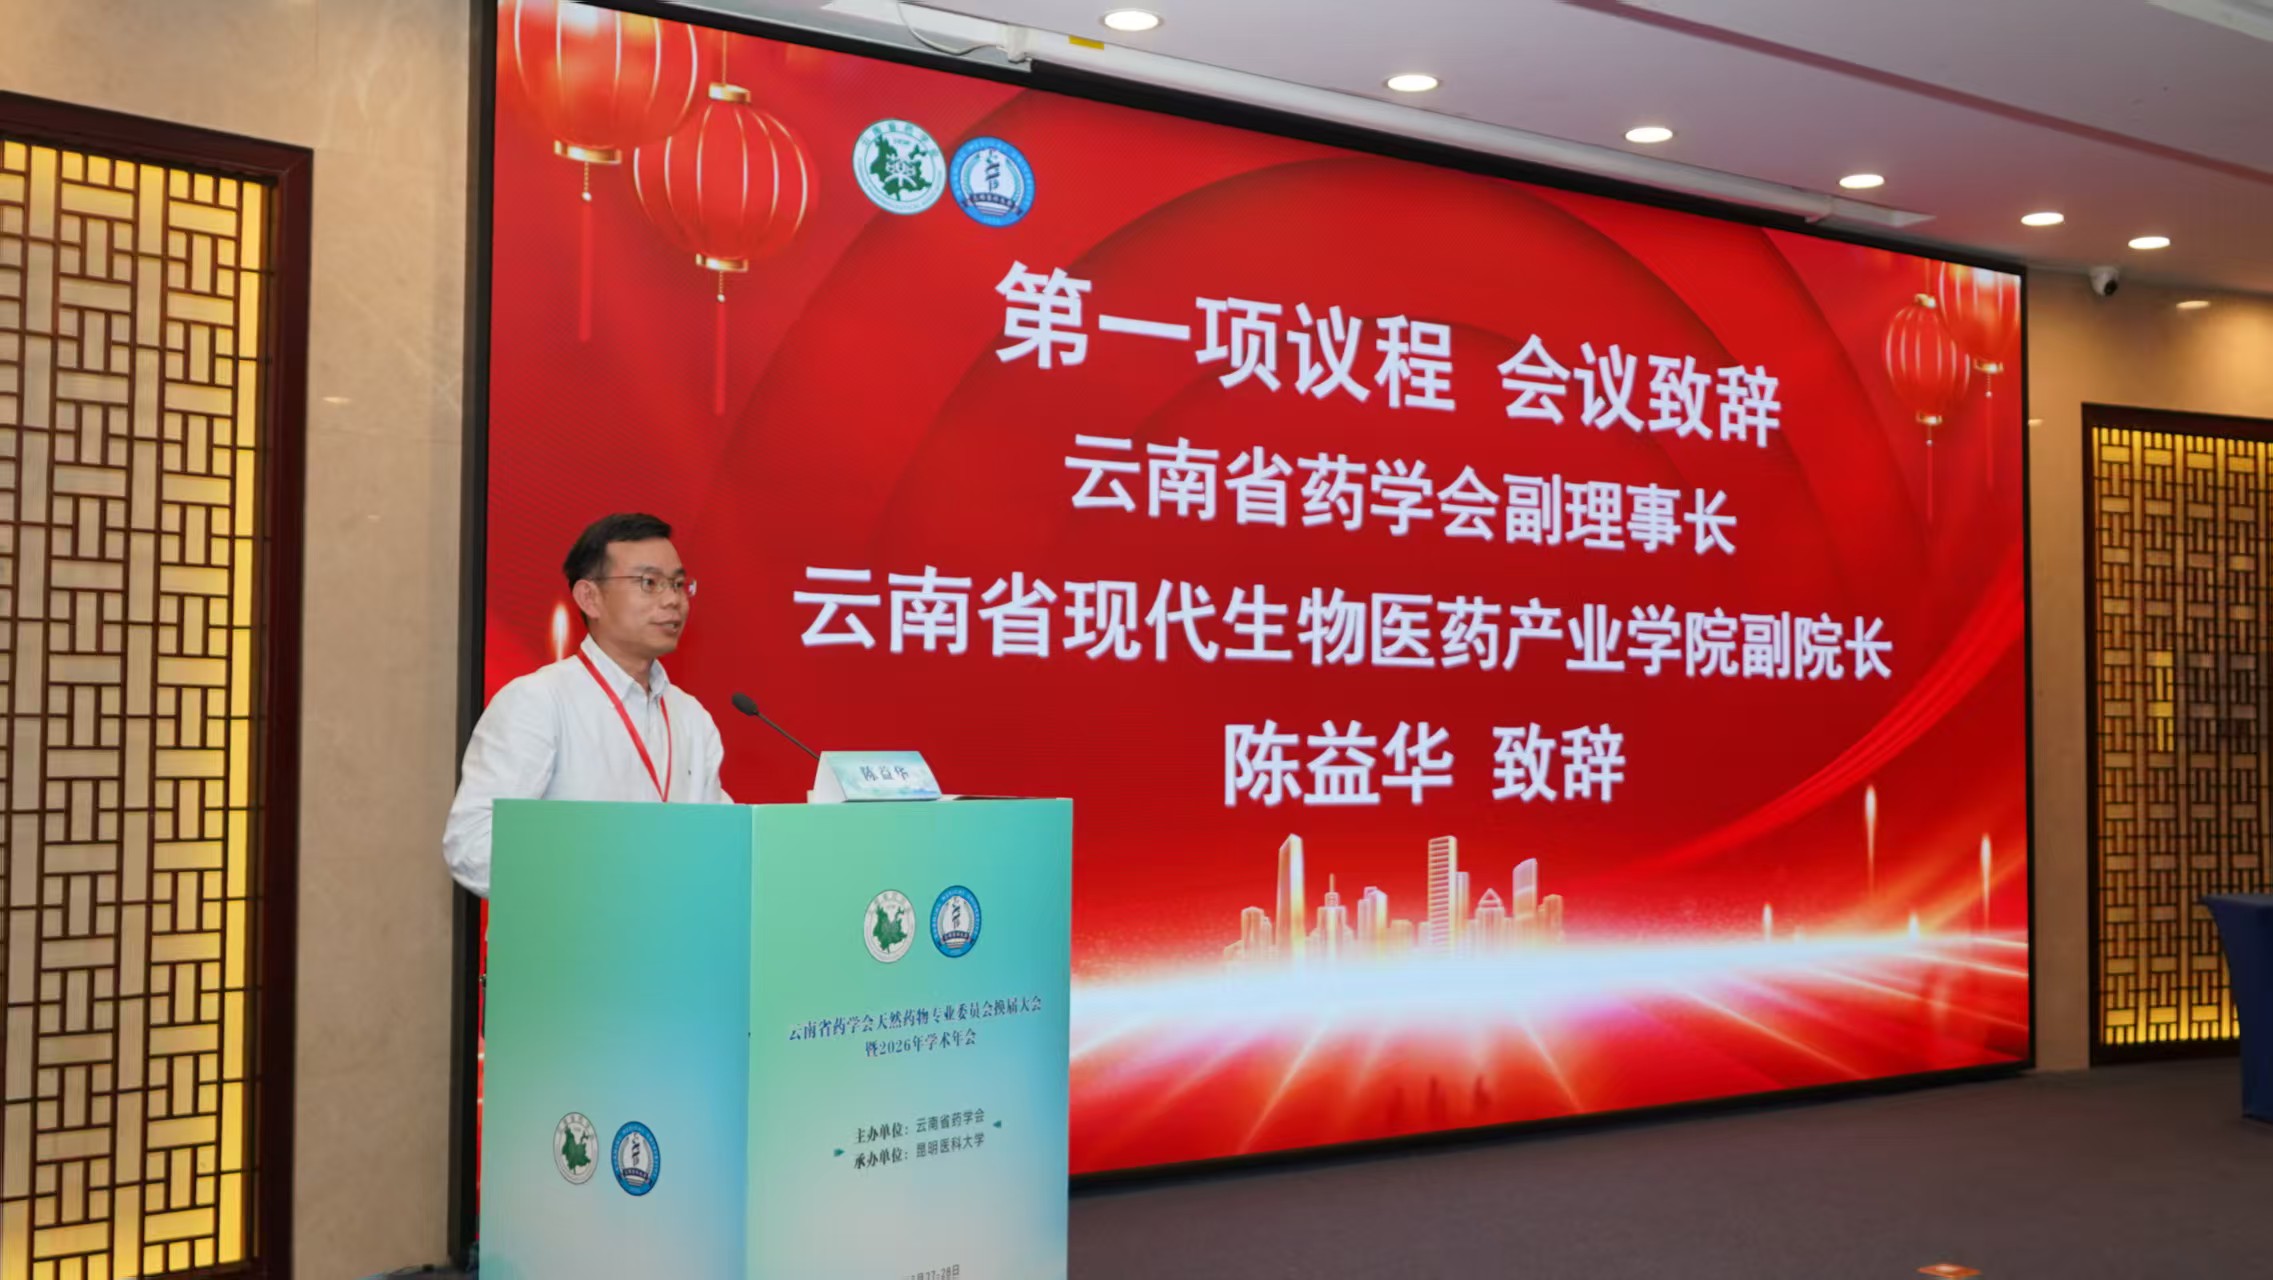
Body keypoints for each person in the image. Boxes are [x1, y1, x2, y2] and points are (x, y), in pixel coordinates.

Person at [442, 513, 730, 897]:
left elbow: (723, 839)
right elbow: (472, 843)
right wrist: (598, 880)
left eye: (678, 584)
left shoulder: (691, 716)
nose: (672, 600)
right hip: (571, 929)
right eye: (649, 583)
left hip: (675, 930)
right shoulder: (539, 701)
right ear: (589, 597)